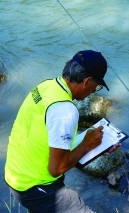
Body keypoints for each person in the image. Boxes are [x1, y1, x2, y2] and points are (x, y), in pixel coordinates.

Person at [4, 50, 120, 213]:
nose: (94, 91)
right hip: (34, 187)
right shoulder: (65, 110)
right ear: (87, 81)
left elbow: (51, 137)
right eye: (97, 86)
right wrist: (87, 144)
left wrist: (94, 145)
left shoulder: (45, 86)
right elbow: (56, 169)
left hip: (15, 175)